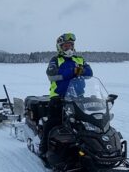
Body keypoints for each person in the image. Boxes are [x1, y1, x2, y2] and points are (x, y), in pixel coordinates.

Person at [40, 33, 93, 163]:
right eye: (65, 46)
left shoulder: (79, 59)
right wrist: (73, 72)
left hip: (78, 97)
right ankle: (44, 150)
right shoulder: (55, 60)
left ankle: (87, 150)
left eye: (70, 45)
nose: (68, 48)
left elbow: (90, 73)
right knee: (53, 123)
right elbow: (52, 75)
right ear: (60, 47)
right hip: (59, 97)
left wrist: (80, 71)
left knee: (84, 124)